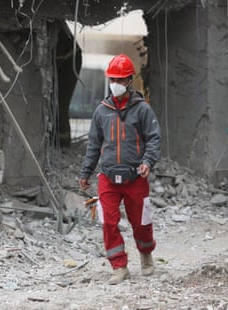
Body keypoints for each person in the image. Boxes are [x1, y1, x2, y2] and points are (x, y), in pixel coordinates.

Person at [78, 54, 161, 284]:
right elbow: (93, 145)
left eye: (120, 79)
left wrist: (147, 161)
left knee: (141, 223)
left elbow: (154, 139)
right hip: (107, 177)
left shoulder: (142, 109)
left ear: (129, 81)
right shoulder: (101, 111)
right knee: (108, 222)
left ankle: (146, 254)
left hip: (136, 176)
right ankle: (119, 266)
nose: (115, 83)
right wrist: (85, 173)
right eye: (112, 78)